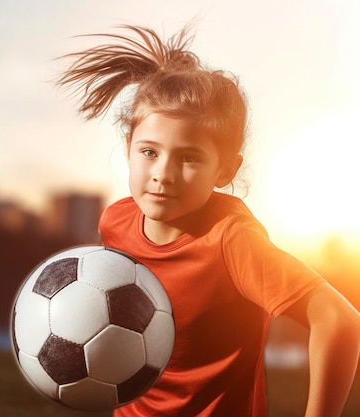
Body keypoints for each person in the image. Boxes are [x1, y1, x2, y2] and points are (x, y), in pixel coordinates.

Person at [56, 25, 360, 417]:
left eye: (189, 158)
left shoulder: (231, 241)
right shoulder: (115, 220)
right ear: (129, 149)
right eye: (149, 151)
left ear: (225, 171)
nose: (163, 173)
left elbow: (341, 321)